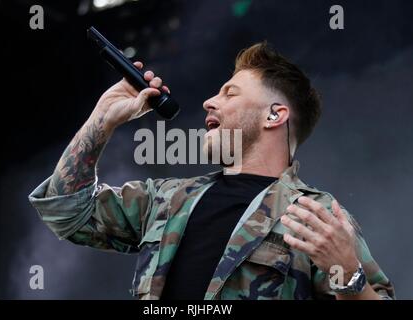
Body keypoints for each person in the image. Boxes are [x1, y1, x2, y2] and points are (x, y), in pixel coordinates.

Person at [29, 42, 394, 300]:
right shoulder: (167, 200)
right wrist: (101, 121)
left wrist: (349, 275)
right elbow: (66, 210)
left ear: (274, 115)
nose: (209, 101)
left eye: (230, 93)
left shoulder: (315, 216)